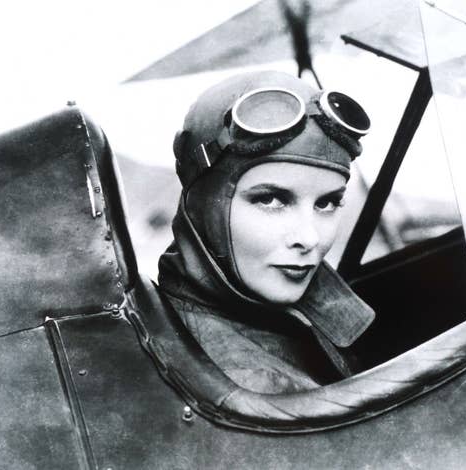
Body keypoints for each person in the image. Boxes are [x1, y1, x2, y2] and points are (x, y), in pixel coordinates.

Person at [157, 71, 375, 394]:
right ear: (205, 202)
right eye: (271, 199)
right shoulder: (257, 386)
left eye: (328, 203)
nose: (310, 238)